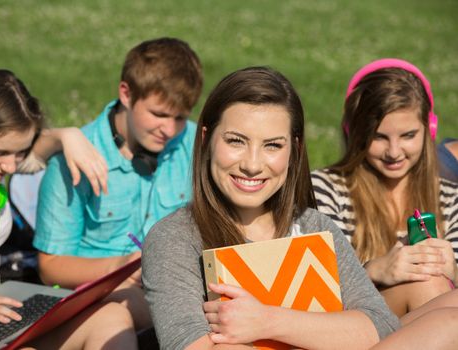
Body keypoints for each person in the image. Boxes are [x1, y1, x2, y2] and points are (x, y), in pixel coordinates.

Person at [142, 66, 402, 350]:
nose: (252, 165)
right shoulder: (175, 239)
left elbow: (382, 329)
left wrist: (269, 321)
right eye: (236, 141)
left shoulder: (314, 227)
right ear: (206, 139)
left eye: (272, 145)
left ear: (295, 150)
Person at [34, 37, 203, 348]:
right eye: (158, 114)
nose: (169, 129)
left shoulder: (194, 144)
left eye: (180, 117)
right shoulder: (74, 158)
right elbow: (50, 266)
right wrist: (120, 265)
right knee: (126, 315)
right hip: (94, 294)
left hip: (174, 285)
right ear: (126, 93)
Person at [0, 69, 119, 348]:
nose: (11, 167)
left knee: (111, 317)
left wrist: (68, 137)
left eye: (19, 153)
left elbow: (33, 153)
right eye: (0, 153)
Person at [311, 58, 458, 318]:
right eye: (379, 137)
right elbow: (319, 291)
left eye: (408, 135)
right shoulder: (326, 189)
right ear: (353, 132)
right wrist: (374, 271)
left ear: (430, 129)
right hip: (357, 329)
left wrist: (454, 272)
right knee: (427, 283)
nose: (393, 152)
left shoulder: (450, 197)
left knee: (435, 283)